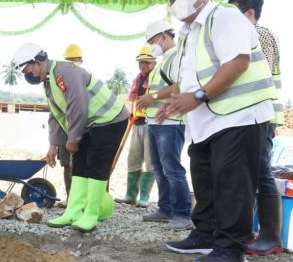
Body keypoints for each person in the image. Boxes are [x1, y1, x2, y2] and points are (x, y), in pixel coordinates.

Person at [160, 0, 277, 262]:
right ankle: (205, 234)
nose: (179, 3)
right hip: (208, 122)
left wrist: (197, 96)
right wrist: (170, 101)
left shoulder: (224, 17)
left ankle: (231, 249)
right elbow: (186, 79)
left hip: (239, 116)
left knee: (232, 183)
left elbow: (237, 62)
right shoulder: (188, 34)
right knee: (205, 180)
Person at [13, 43, 129, 232]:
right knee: (80, 165)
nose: (29, 76)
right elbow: (56, 115)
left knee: (96, 165)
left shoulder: (65, 72)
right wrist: (54, 144)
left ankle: (91, 215)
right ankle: (73, 212)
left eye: (28, 70)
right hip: (90, 123)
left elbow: (78, 107)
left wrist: (73, 139)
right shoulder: (48, 81)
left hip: (110, 119)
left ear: (37, 62)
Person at [229, 0, 284, 256]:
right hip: (252, 114)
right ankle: (257, 234)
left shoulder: (258, 34)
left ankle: (271, 236)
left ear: (249, 14)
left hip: (260, 115)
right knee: (253, 172)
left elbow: (245, 71)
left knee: (261, 172)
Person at [136, 20, 192, 230]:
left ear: (163, 37)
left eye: (152, 40)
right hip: (156, 121)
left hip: (171, 121)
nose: (151, 45)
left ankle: (182, 214)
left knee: (172, 169)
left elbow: (180, 84)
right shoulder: (163, 60)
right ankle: (166, 208)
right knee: (159, 168)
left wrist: (154, 96)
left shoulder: (177, 56)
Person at [115, 47, 156, 208]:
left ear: (153, 62)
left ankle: (144, 196)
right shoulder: (138, 79)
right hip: (136, 122)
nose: (143, 65)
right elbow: (132, 99)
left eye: (146, 62)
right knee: (133, 158)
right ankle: (131, 194)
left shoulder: (155, 78)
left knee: (150, 160)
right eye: (141, 62)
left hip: (151, 123)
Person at [57, 43, 83, 197]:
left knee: (82, 165)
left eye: (75, 60)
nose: (73, 64)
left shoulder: (85, 78)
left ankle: (81, 200)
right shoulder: (60, 80)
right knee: (67, 164)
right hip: (64, 128)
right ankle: (70, 197)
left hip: (80, 129)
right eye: (69, 61)